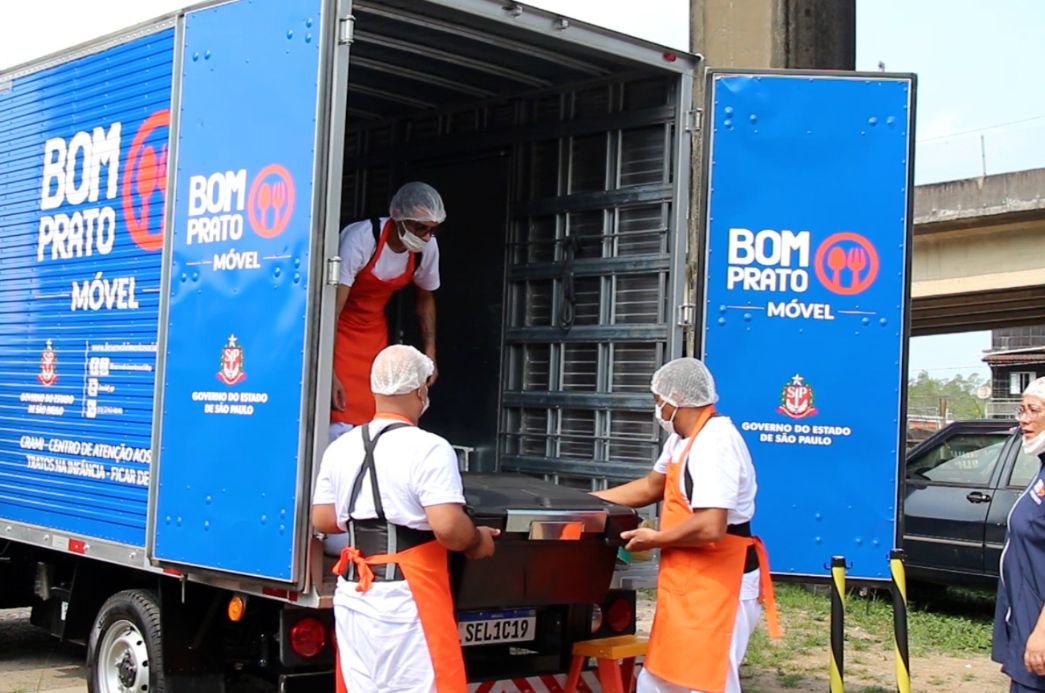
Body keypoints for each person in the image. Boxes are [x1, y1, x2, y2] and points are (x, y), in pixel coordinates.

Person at [312, 344, 499, 692]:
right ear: (420, 390)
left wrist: (364, 507)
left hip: (354, 592)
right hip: (407, 595)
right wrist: (476, 540)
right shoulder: (430, 448)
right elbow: (449, 528)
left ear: (374, 388)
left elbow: (323, 519)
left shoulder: (341, 447)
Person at [593, 357, 780, 693]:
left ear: (676, 398)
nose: (658, 410)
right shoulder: (682, 439)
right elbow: (651, 486)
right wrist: (586, 501)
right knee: (660, 678)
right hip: (687, 581)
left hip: (721, 583)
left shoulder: (716, 442)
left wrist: (655, 539)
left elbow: (710, 526)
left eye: (658, 401)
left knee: (708, 681)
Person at [330, 182, 444, 443]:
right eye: (420, 227)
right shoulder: (362, 238)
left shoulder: (426, 248)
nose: (427, 236)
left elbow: (425, 298)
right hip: (339, 331)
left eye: (432, 229)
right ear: (399, 217)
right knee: (341, 411)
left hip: (374, 334)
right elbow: (333, 308)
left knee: (376, 408)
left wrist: (431, 355)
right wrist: (329, 371)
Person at [993, 376, 1045, 692]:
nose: (1024, 419)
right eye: (1021, 409)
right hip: (1026, 619)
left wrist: (1042, 633)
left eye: (1034, 410)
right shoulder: (1042, 467)